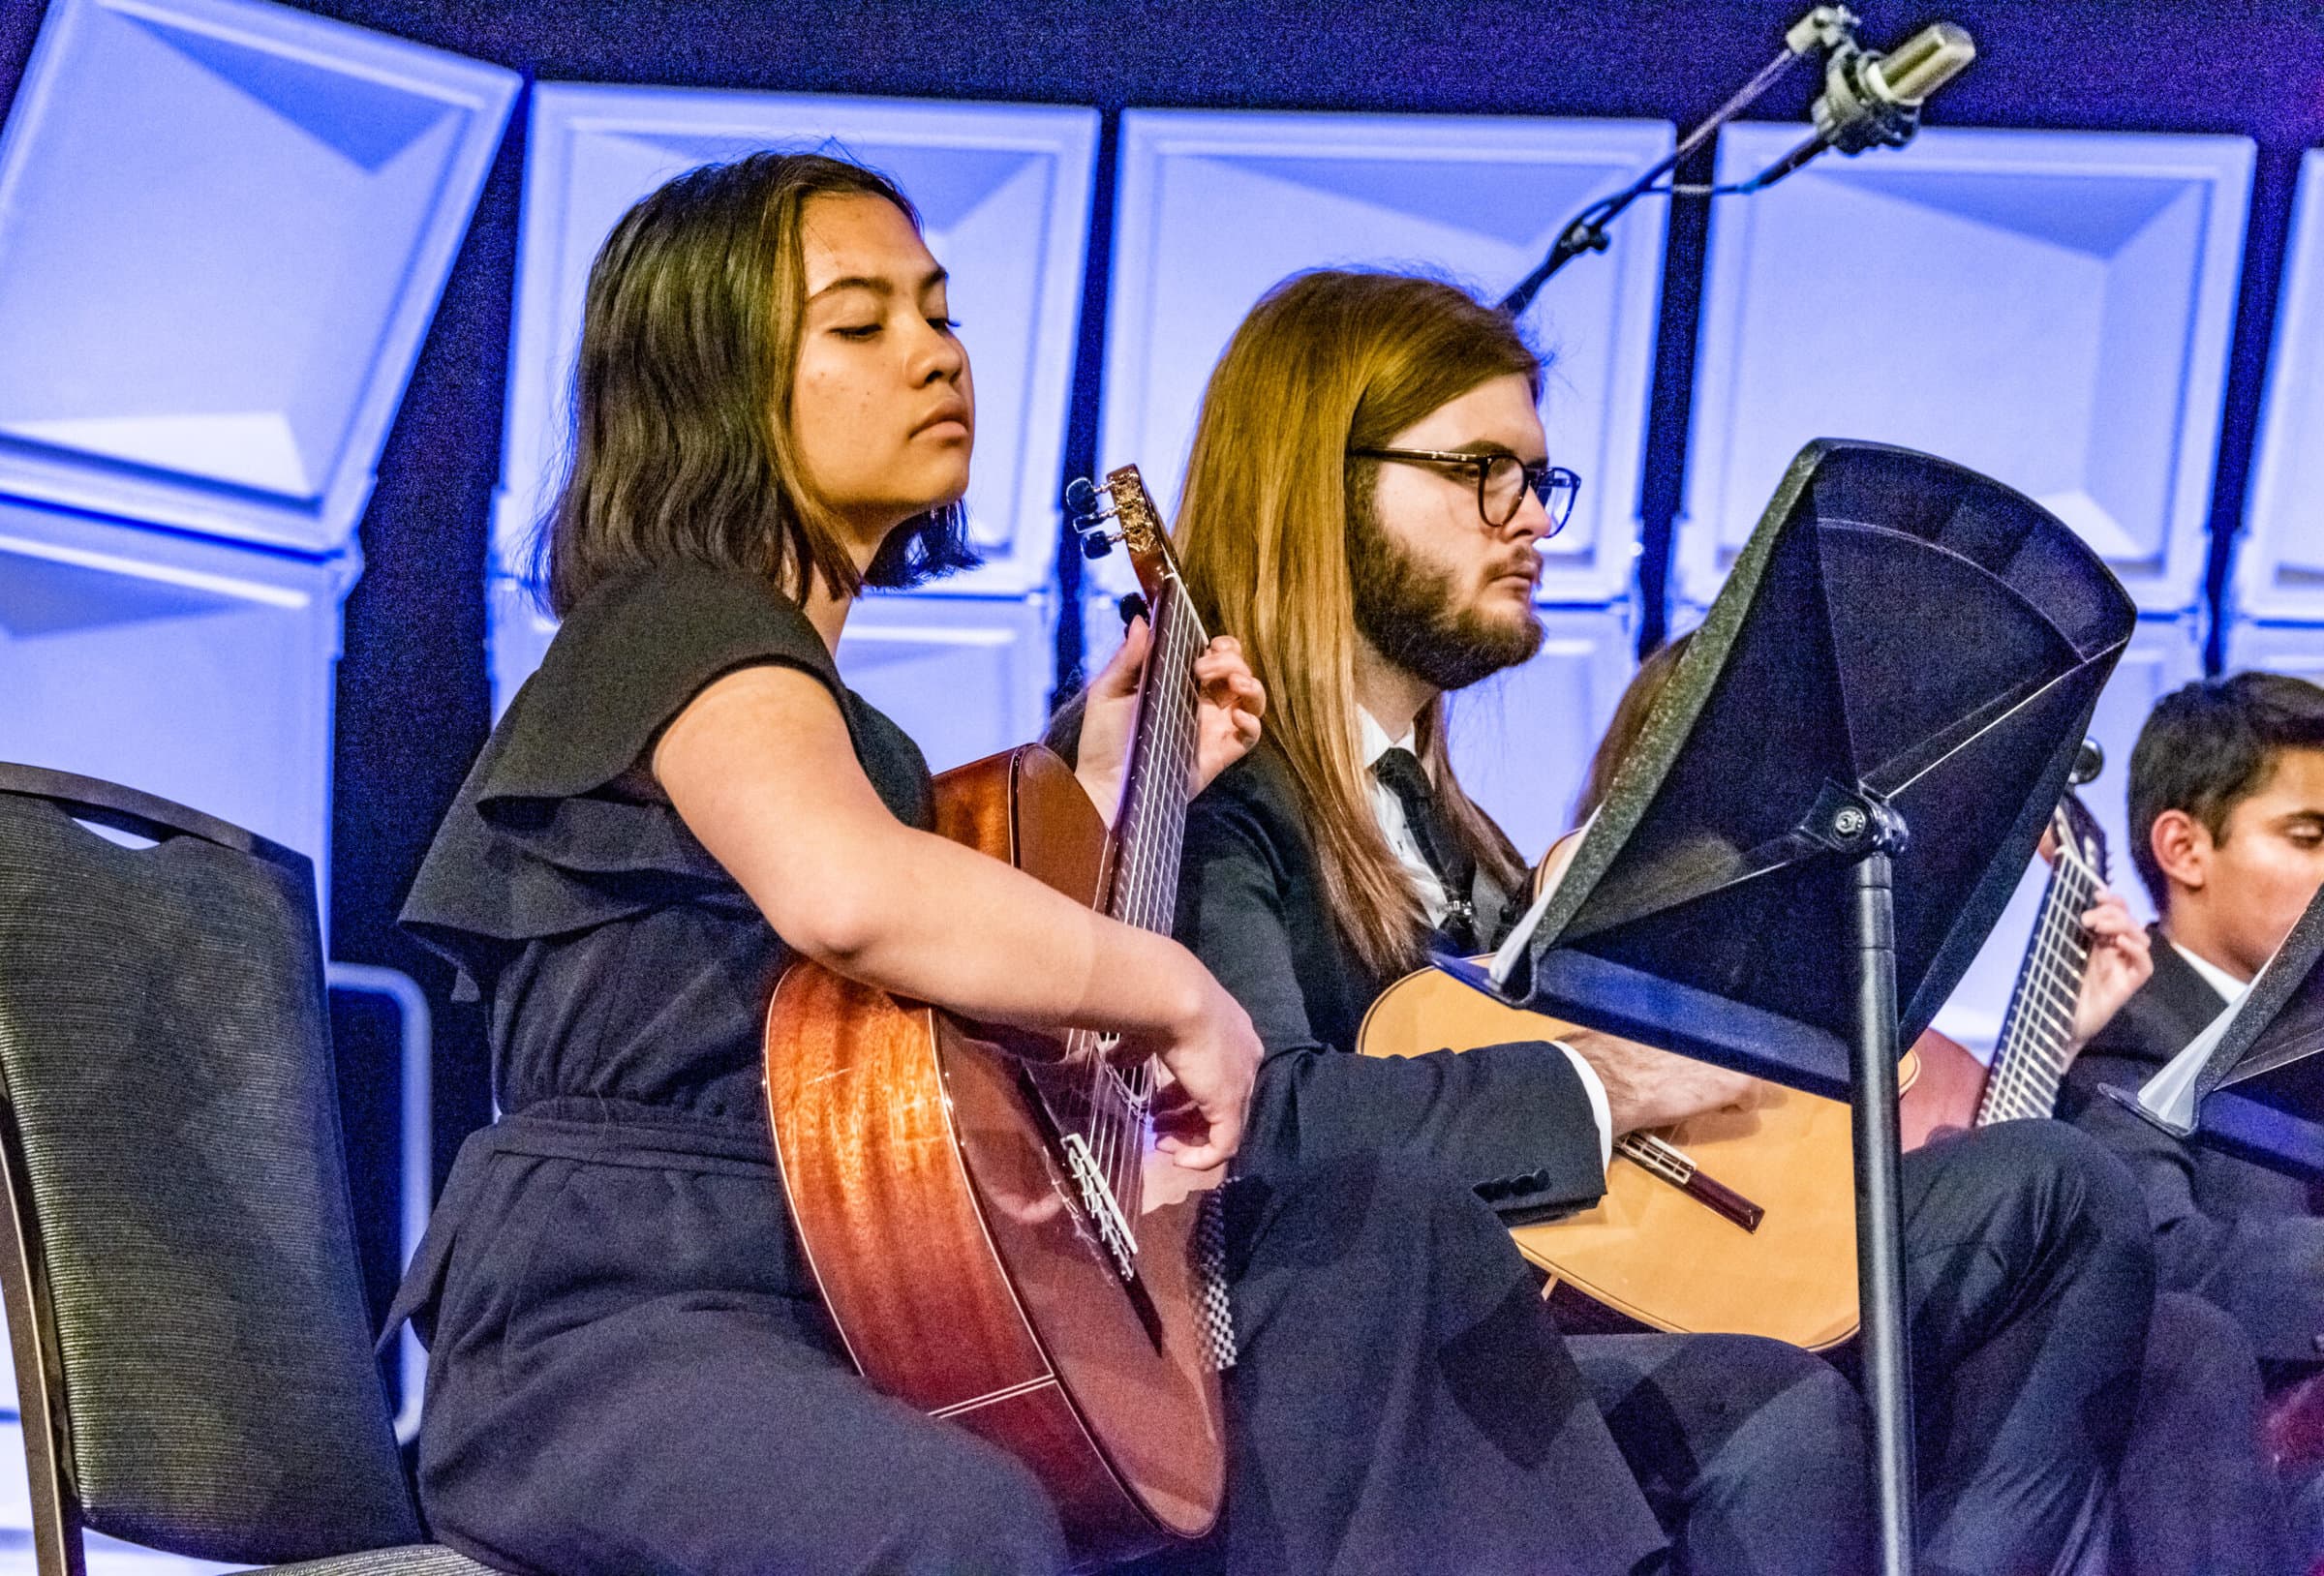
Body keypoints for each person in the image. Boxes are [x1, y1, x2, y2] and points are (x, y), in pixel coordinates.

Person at [388, 152, 1743, 1576]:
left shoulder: (862, 743)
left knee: (1316, 1308)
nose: (934, 357)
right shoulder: (677, 627)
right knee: (959, 1525)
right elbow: (847, 897)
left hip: (838, 1301)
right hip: (608, 1324)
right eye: (861, 326)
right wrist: (1174, 990)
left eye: (940, 314)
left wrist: (1101, 786)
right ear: (710, 385)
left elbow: (884, 1026)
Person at [1162, 267, 2159, 1576]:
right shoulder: (1214, 800)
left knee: (2067, 1197)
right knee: (1777, 1412)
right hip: (1406, 1344)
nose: (1529, 522)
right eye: (1481, 471)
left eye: (1537, 480)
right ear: (1317, 481)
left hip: (1611, 1265)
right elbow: (1263, 1120)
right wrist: (1603, 1083)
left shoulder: (1468, 841)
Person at [1597, 641, 2285, 1576]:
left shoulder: (1904, 1033)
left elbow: (1978, 1216)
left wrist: (2053, 1046)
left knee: (2185, 1340)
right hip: (1703, 1287)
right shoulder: (1625, 947)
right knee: (2076, 1195)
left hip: (1878, 1315)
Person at [2062, 671, 2324, 1569]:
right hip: (2245, 1478)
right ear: (2184, 847)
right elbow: (2158, 1260)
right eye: (2310, 836)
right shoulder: (2122, 1036)